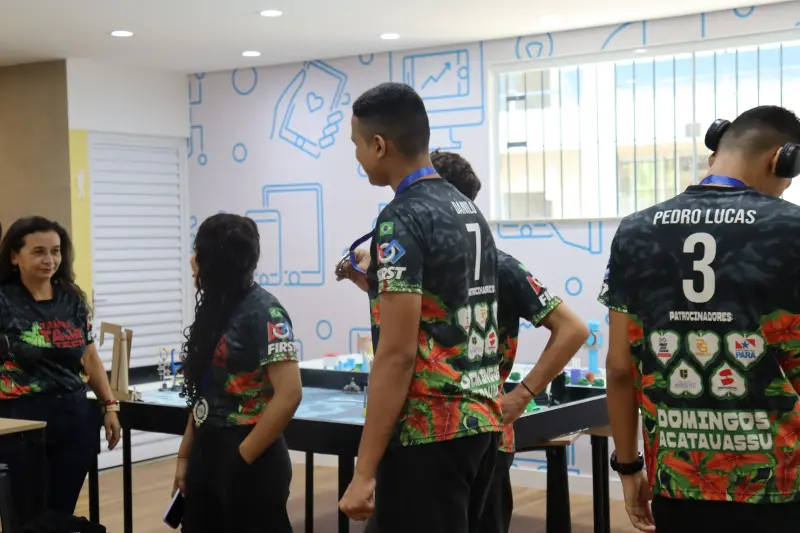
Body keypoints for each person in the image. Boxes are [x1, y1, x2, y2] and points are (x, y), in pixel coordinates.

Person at [340, 150, 589, 533]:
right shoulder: (481, 261)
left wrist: (522, 395)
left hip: (437, 434)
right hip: (477, 432)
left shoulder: (498, 265)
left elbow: (573, 329)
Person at [598, 105, 800, 533]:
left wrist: (629, 467)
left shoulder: (634, 231)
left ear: (715, 154)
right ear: (780, 159)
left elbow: (618, 368)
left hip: (678, 478)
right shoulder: (791, 227)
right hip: (779, 482)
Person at [336, 82, 502, 533]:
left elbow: (397, 354)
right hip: (480, 422)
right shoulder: (465, 208)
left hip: (428, 430)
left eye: (356, 144)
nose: (356, 156)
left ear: (378, 145)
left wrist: (364, 470)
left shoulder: (401, 217)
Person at [174, 213, 302, 533]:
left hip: (251, 454)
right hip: (207, 447)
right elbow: (204, 392)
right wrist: (185, 457)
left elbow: (289, 394)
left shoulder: (265, 311)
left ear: (217, 261)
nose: (192, 261)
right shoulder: (215, 307)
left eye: (198, 252)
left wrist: (242, 457)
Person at [0, 216, 121, 523]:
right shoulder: (3, 299)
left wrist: (109, 405)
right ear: (14, 256)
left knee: (62, 512)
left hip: (74, 416)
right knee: (28, 517)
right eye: (38, 251)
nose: (50, 260)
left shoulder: (73, 299)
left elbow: (90, 356)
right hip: (21, 418)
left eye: (55, 251)